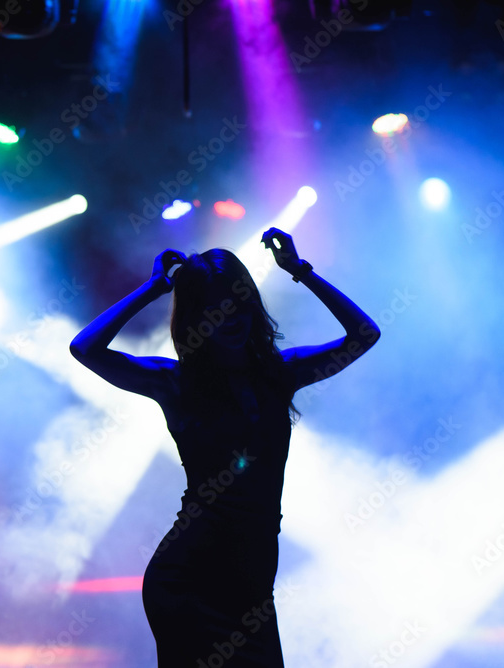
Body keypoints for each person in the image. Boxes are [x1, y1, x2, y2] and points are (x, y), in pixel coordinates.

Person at [69, 227, 381, 666]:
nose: (230, 318)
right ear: (197, 319)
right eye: (215, 310)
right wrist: (155, 287)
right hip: (188, 581)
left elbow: (365, 335)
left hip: (251, 583)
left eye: (238, 305)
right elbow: (85, 348)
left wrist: (300, 272)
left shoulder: (280, 373)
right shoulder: (175, 382)